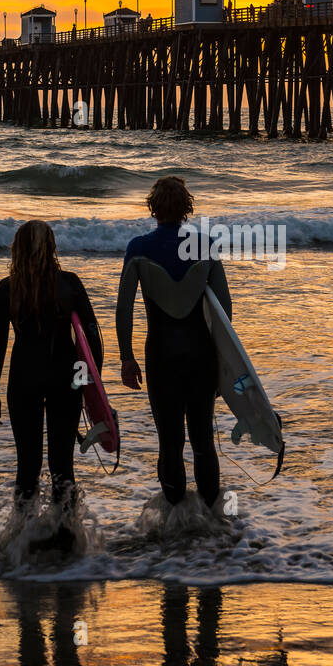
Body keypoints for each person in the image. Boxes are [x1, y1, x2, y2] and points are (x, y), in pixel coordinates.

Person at [116, 177, 231, 509]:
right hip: (201, 356)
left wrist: (126, 357)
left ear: (153, 208)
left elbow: (124, 307)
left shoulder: (138, 247)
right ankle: (212, 521)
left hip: (161, 356)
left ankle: (175, 526)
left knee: (169, 442)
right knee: (203, 440)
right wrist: (225, 363)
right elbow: (225, 309)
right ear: (187, 207)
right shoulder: (205, 245)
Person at [0, 220, 102, 515]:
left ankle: (23, 539)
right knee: (62, 464)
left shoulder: (6, 289)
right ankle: (67, 535)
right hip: (66, 378)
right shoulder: (70, 283)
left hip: (23, 377)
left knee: (27, 464)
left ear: (18, 249)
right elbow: (91, 334)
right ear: (52, 248)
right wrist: (90, 385)